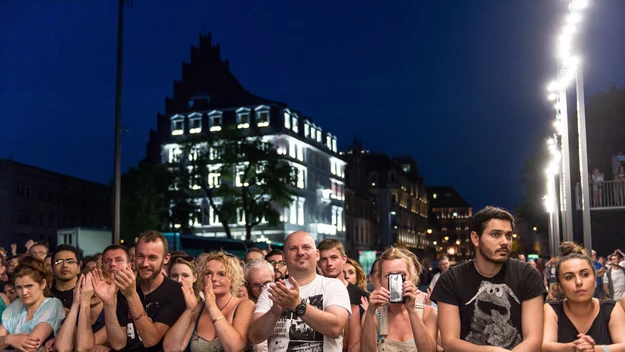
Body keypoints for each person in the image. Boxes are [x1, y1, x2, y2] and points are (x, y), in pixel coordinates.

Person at [431, 206, 546, 351]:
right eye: (496, 234)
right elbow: (449, 341)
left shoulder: (528, 275)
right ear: (475, 238)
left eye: (508, 235)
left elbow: (534, 340)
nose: (505, 241)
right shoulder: (451, 279)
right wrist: (488, 351)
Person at [249, 231, 351, 351]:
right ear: (284, 258)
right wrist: (275, 311)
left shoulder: (333, 285)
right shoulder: (272, 289)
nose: (300, 253)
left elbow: (335, 329)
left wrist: (297, 305)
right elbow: (255, 337)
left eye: (306, 247)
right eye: (293, 249)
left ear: (317, 254)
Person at [92, 230, 186, 351]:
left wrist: (131, 295)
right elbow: (118, 343)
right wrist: (108, 302)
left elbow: (150, 340)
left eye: (152, 257)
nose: (145, 263)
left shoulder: (176, 291)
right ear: (134, 257)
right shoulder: (126, 286)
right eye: (140, 256)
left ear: (166, 259)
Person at [163, 251, 255, 352]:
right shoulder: (199, 308)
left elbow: (234, 348)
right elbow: (170, 348)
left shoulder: (244, 305)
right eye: (208, 273)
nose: (214, 279)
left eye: (221, 274)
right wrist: (189, 310)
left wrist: (212, 307)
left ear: (233, 279)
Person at [543, 242, 625, 351]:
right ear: (560, 286)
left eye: (585, 274)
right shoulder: (552, 309)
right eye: (569, 277)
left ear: (595, 280)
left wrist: (596, 349)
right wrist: (574, 347)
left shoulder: (610, 308)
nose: (578, 282)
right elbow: (545, 346)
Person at [362, 247, 438, 352]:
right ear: (379, 279)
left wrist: (412, 311)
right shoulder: (374, 315)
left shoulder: (429, 313)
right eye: (389, 276)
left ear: (412, 276)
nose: (395, 282)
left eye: (401, 275)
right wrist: (370, 312)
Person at [75, 244, 132, 352]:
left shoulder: (135, 294)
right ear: (101, 266)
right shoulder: (95, 291)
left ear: (129, 265)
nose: (112, 264)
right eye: (107, 261)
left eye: (118, 260)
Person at [0, 256, 65, 351]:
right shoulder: (17, 304)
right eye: (19, 287)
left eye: (29, 286)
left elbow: (30, 346)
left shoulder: (52, 304)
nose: (24, 292)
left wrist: (8, 340)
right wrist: (9, 339)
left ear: (43, 284)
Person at [317, 239, 368, 352]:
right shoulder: (314, 292)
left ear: (344, 259)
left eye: (334, 258)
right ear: (318, 262)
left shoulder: (361, 296)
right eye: (324, 259)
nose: (329, 263)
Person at [54, 271, 107, 352]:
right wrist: (75, 303)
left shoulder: (110, 315)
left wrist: (85, 302)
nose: (90, 291)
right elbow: (62, 348)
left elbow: (84, 348)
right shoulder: (75, 314)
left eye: (95, 285)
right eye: (85, 286)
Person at [52, 244, 82, 311]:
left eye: (70, 261)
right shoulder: (45, 295)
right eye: (59, 262)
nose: (65, 265)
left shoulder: (86, 293)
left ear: (78, 268)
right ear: (52, 268)